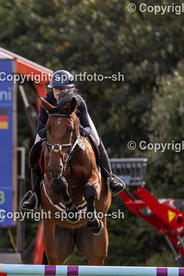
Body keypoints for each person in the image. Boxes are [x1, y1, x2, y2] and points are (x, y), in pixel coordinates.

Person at [21, 69, 126, 211]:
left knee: (97, 141)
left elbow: (87, 126)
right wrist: (54, 133)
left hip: (76, 132)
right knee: (35, 149)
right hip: (53, 134)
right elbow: (40, 129)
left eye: (62, 89)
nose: (58, 92)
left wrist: (83, 131)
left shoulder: (78, 102)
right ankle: (34, 194)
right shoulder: (47, 101)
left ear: (70, 89)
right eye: (56, 89)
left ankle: (110, 178)